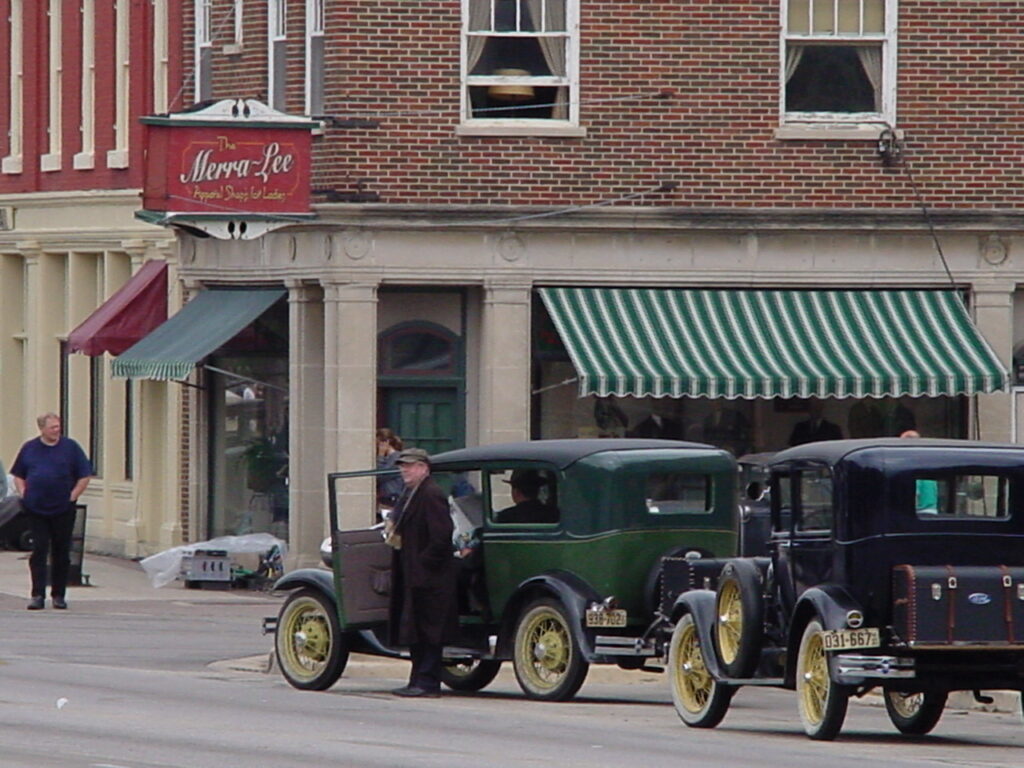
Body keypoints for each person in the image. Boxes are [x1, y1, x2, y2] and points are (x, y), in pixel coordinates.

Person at [386, 447, 459, 698]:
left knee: (430, 630)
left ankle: (428, 683)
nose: (404, 470)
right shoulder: (410, 493)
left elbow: (441, 536)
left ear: (424, 468)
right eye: (402, 466)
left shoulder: (431, 494)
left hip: (431, 578)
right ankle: (416, 679)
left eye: (410, 465)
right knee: (416, 629)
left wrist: (423, 564)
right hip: (414, 574)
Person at [11, 412, 93, 610]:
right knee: (39, 550)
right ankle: (37, 594)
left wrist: (73, 496)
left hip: (63, 508)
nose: (57, 430)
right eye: (52, 427)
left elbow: (84, 475)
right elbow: (18, 474)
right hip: (35, 507)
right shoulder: (30, 448)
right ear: (42, 429)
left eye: (58, 427)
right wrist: (23, 492)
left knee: (61, 551)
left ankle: (59, 595)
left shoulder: (70, 448)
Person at [900, 429, 939, 513]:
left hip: (920, 512)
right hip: (932, 508)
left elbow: (914, 493)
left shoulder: (911, 462)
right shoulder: (927, 460)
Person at [375, 428, 405, 510]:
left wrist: (380, 455)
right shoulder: (388, 458)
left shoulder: (396, 458)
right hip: (386, 498)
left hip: (393, 499)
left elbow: (381, 475)